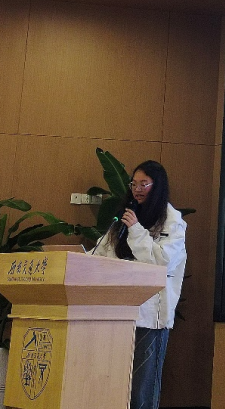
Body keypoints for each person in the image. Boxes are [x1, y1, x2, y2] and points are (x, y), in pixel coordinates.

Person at [92, 160, 187, 409]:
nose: (137, 189)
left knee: (140, 393)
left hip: (149, 317)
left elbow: (162, 262)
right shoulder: (125, 217)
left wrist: (136, 230)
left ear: (158, 186)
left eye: (144, 184)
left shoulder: (172, 222)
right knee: (112, 386)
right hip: (116, 314)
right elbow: (102, 253)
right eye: (134, 184)